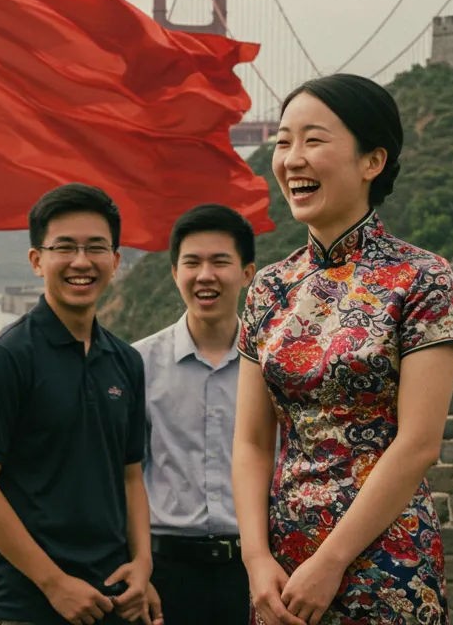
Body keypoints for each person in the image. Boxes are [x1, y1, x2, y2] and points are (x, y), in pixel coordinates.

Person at [232, 74, 453, 625]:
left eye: (313, 140)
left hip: (385, 559)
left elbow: (418, 444)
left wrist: (331, 561)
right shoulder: (270, 287)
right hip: (282, 571)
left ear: (372, 161)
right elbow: (250, 440)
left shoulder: (422, 277)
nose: (292, 158)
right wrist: (255, 558)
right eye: (284, 141)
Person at [0, 183, 157, 625]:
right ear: (37, 260)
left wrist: (143, 563)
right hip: (26, 605)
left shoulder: (125, 361)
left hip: (112, 598)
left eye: (96, 248)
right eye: (64, 247)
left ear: (116, 261)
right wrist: (53, 582)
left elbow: (129, 475)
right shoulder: (4, 360)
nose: (81, 262)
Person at [132, 204, 257, 625]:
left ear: (247, 273)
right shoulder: (138, 365)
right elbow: (121, 474)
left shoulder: (273, 365)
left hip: (257, 568)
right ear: (174, 273)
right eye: (192, 262)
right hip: (167, 572)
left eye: (221, 261)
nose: (206, 275)